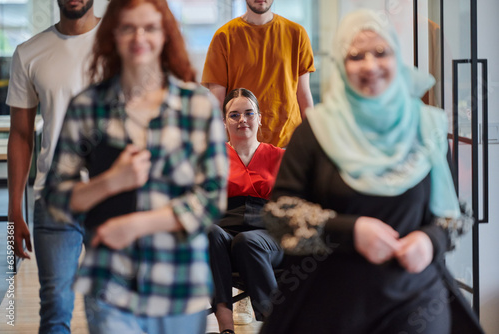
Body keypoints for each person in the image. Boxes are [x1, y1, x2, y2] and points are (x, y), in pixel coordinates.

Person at [260, 9, 483, 334]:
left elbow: (452, 214)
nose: (370, 65)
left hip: (416, 304)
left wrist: (430, 239)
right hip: (331, 307)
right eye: (355, 56)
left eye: (381, 52)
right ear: (340, 65)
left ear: (398, 58)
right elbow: (280, 214)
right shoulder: (316, 130)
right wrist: (349, 231)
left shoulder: (427, 127)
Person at [43, 0, 228, 333]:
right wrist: (111, 182)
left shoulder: (197, 106)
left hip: (180, 284)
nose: (138, 37)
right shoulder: (88, 107)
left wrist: (135, 226)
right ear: (112, 34)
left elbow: (213, 197)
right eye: (128, 27)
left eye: (150, 27)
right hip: (111, 285)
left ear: (166, 35)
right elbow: (56, 197)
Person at [6, 1, 100, 332]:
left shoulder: (121, 44)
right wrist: (15, 210)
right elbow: (20, 135)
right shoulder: (29, 53)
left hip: (112, 194)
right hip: (54, 197)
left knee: (107, 309)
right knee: (56, 307)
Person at [208, 88, 284, 334]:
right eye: (234, 115)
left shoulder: (280, 157)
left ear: (260, 118)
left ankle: (277, 324)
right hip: (224, 232)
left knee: (247, 241)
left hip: (268, 234)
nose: (242, 120)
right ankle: (226, 327)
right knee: (211, 233)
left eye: (249, 113)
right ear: (224, 121)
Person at [201, 0, 315, 148]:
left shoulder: (297, 34)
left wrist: (313, 140)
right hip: (241, 146)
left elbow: (304, 95)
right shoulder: (224, 37)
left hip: (288, 144)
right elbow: (218, 102)